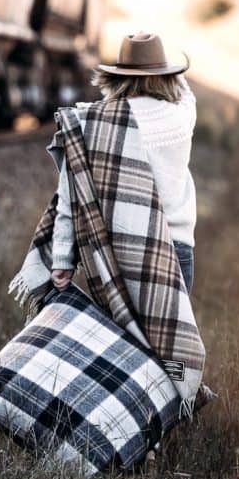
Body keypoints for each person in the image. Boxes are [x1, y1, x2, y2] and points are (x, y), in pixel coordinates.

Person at [50, 31, 197, 298]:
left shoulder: (91, 122)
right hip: (175, 250)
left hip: (115, 255)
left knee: (119, 337)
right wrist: (173, 72)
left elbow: (68, 195)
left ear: (117, 76)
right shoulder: (180, 119)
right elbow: (187, 96)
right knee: (167, 338)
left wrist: (62, 257)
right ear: (163, 76)